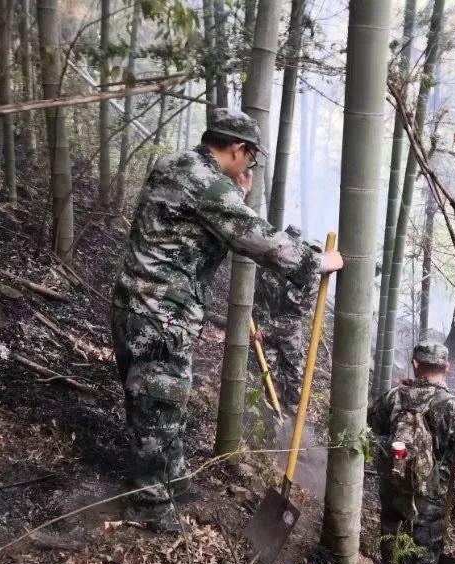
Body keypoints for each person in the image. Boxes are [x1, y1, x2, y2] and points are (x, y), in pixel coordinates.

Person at [111, 108, 343, 532]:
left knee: (163, 398)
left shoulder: (172, 163)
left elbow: (211, 220)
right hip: (161, 311)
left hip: (136, 301)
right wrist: (320, 261)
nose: (250, 167)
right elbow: (260, 241)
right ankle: (148, 503)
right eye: (251, 159)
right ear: (238, 149)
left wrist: (236, 191)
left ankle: (173, 478)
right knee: (157, 406)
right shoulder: (208, 185)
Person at [368, 342, 455, 564]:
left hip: (393, 485)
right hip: (429, 494)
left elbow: (374, 423)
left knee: (391, 539)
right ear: (447, 368)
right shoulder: (454, 407)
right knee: (423, 557)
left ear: (415, 364)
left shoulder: (395, 395)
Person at [251, 224, 316, 411]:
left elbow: (295, 315)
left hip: (288, 333)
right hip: (263, 329)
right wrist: (260, 327)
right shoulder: (267, 268)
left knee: (295, 374)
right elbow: (259, 301)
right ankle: (273, 412)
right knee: (269, 374)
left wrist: (267, 331)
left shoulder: (308, 279)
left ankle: (294, 415)